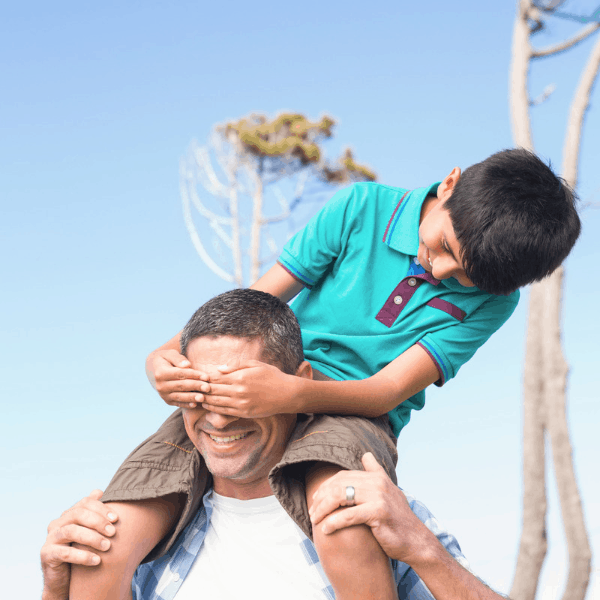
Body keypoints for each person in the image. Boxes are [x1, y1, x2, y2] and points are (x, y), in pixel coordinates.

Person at [102, 149, 581, 596]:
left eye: (464, 276)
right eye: (444, 246)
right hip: (271, 375)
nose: (442, 270)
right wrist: (162, 357)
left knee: (342, 521)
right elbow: (259, 300)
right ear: (450, 185)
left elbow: (383, 391)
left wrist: (289, 394)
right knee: (103, 543)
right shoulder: (361, 207)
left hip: (354, 417)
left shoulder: (494, 305)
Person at [41, 289, 505, 600]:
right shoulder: (141, 544)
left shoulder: (384, 518)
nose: (218, 417)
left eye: (239, 392)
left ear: (298, 384)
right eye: (200, 393)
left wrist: (425, 551)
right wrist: (54, 588)